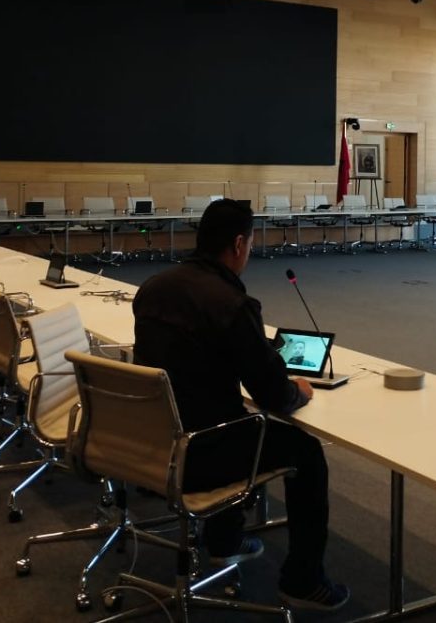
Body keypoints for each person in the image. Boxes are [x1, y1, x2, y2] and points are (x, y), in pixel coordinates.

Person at [132, 199, 349, 611]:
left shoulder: (154, 287)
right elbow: (272, 396)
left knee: (232, 416)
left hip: (154, 441)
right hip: (202, 453)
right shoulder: (231, 303)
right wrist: (299, 391)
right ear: (237, 244)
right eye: (249, 244)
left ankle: (225, 540)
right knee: (304, 451)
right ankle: (303, 580)